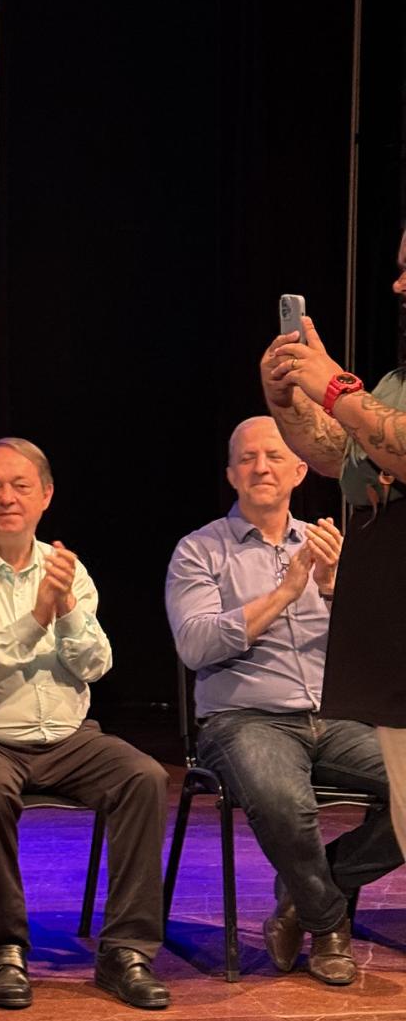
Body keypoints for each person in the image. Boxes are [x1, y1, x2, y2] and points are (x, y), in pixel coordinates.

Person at [0, 438, 171, 1010]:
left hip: (66, 736)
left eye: (20, 486)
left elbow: (96, 665)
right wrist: (37, 616)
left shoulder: (67, 569)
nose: (6, 498)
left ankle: (126, 952)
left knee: (143, 777)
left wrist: (65, 609)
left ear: (45, 496)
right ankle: (6, 948)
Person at [165, 416, 400, 985]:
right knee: (284, 803)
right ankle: (327, 925)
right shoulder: (200, 551)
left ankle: (322, 884)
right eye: (247, 458)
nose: (261, 467)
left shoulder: (329, 545)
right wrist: (286, 593)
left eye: (274, 456)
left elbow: (376, 650)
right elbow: (196, 644)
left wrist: (337, 587)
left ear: (300, 469)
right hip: (243, 719)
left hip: (334, 717)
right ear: (231, 473)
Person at [260, 232, 406, 1021]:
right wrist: (287, 399)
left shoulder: (376, 385)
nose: (395, 280)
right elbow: (335, 452)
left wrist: (336, 385)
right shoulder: (394, 377)